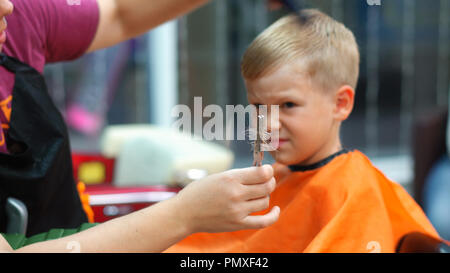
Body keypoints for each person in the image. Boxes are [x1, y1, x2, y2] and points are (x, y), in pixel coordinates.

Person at [0, 0, 281, 252]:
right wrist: (185, 215)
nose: (7, 7)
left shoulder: (16, 18)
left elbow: (120, 15)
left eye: (289, 105)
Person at [164, 9, 442, 253]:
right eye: (258, 106)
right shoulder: (278, 180)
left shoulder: (352, 194)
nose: (268, 124)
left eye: (288, 104)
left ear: (340, 103)